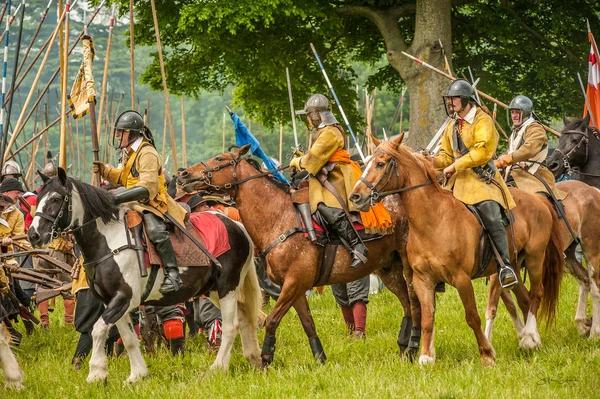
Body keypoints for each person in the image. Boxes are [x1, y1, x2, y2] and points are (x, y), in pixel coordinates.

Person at [433, 79, 518, 289]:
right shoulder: (453, 125)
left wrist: (454, 166)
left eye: (453, 99)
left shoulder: (483, 120)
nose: (450, 102)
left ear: (465, 100)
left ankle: (504, 266)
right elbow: (445, 155)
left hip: (481, 180)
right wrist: (428, 160)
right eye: (449, 99)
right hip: (456, 183)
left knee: (490, 214)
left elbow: (481, 152)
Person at [92, 110, 187, 294]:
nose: (117, 135)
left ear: (133, 133)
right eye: (117, 131)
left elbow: (148, 188)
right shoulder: (130, 154)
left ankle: (173, 274)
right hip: (133, 201)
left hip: (152, 202)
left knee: (155, 230)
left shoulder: (147, 153)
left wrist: (117, 197)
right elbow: (124, 177)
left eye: (121, 132)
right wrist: (105, 171)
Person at [290, 94, 368, 269]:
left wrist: (299, 161)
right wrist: (302, 158)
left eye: (309, 115)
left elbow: (314, 158)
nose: (308, 119)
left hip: (337, 177)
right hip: (325, 176)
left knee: (325, 207)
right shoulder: (324, 132)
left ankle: (358, 245)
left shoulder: (330, 132)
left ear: (316, 115)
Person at [495, 95, 567, 200]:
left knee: (540, 202)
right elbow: (510, 151)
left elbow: (529, 149)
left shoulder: (535, 128)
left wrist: (504, 161)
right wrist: (498, 159)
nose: (514, 116)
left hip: (533, 174)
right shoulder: (516, 131)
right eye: (512, 112)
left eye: (517, 112)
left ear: (525, 113)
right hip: (514, 173)